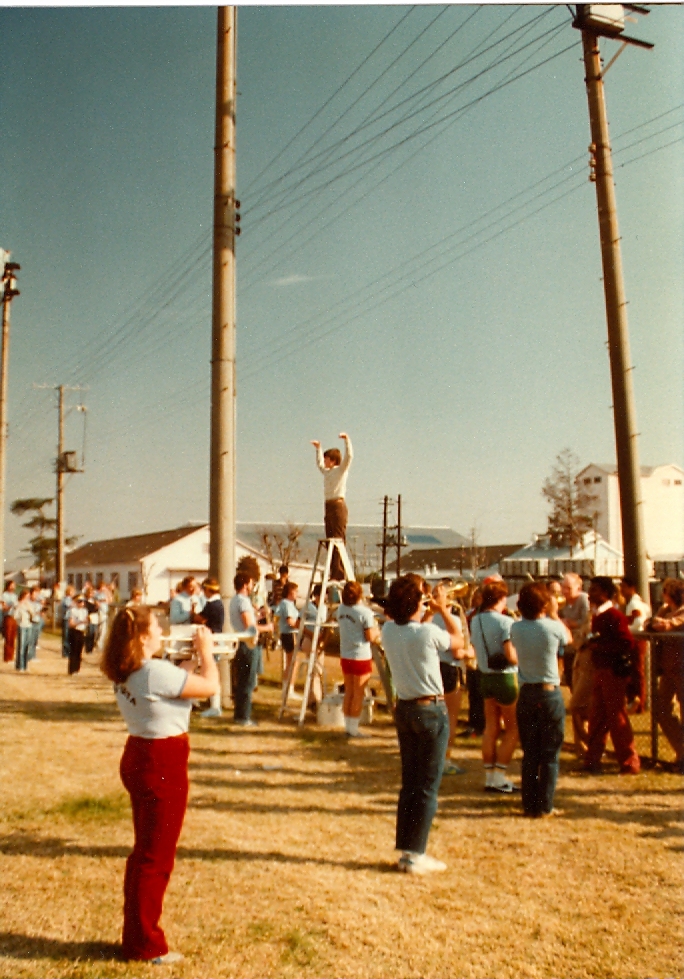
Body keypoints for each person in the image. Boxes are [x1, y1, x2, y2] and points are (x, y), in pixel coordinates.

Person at [102, 605, 218, 964]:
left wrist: (189, 664)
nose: (161, 631)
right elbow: (211, 687)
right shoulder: (154, 671)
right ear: (141, 636)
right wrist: (207, 654)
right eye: (155, 626)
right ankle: (145, 944)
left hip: (140, 752)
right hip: (161, 761)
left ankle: (136, 933)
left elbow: (174, 686)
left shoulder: (133, 669)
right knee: (156, 858)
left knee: (144, 854)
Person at [381, 576, 464, 874]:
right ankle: (417, 854)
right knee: (427, 787)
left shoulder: (389, 629)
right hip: (430, 710)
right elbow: (458, 640)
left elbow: (414, 624)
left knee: (410, 784)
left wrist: (427, 608)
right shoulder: (428, 632)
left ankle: (407, 850)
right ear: (415, 604)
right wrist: (443, 610)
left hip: (404, 709)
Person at [511, 583, 567, 817]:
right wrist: (554, 612)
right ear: (544, 605)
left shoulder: (515, 628)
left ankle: (529, 803)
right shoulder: (553, 627)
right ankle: (545, 804)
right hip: (549, 692)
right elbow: (569, 638)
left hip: (526, 691)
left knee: (530, 753)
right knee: (550, 754)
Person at [584, 577, 640, 775]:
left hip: (613, 671)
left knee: (617, 717)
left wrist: (600, 648)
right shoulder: (598, 615)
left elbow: (627, 643)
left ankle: (629, 762)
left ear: (606, 594)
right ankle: (592, 759)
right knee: (597, 716)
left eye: (595, 590)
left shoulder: (614, 615)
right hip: (600, 670)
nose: (590, 594)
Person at [470, 580, 519, 793]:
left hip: (486, 677)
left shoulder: (476, 620)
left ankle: (490, 775)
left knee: (491, 728)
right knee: (513, 729)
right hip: (505, 677)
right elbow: (510, 655)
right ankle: (500, 775)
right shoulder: (505, 622)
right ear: (500, 599)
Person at [428, 582, 467, 774]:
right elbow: (457, 651)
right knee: (450, 717)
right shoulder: (452, 619)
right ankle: (446, 760)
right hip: (449, 668)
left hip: (432, 668)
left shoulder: (427, 618)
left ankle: (433, 756)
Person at [335, 580, 381, 738]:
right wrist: (378, 632)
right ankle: (353, 728)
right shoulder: (364, 612)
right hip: (360, 655)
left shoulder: (340, 609)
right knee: (358, 693)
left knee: (349, 691)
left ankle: (348, 726)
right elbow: (369, 636)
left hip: (345, 654)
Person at [648, 577, 684, 773]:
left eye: (666, 591)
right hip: (669, 669)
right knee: (661, 708)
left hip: (682, 667)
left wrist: (666, 623)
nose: (663, 595)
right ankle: (681, 749)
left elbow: (672, 624)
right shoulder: (665, 610)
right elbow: (651, 623)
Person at [230, 571, 272, 726]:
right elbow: (250, 627)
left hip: (241, 642)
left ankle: (239, 715)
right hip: (248, 643)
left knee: (242, 681)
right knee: (247, 682)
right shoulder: (243, 601)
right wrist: (267, 627)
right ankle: (244, 717)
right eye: (251, 583)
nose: (253, 586)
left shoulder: (236, 600)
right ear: (245, 584)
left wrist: (259, 615)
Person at [311, 432, 353, 581]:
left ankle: (338, 574)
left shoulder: (340, 470)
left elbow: (349, 457)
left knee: (338, 540)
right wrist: (318, 449)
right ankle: (333, 572)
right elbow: (319, 465)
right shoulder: (327, 472)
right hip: (328, 506)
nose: (324, 461)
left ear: (333, 460)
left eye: (326, 458)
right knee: (330, 540)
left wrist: (347, 440)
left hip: (338, 506)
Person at [619, 576, 650, 714]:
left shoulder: (634, 604)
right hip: (635, 639)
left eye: (623, 586)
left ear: (632, 588)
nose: (621, 589)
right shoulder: (634, 602)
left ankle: (640, 703)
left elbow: (638, 622)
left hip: (637, 640)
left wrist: (624, 630)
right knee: (634, 671)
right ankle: (635, 701)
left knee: (637, 672)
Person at [197, 577, 225, 718]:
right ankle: (214, 704)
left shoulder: (211, 605)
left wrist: (191, 612)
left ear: (208, 590)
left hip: (211, 641)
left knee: (210, 672)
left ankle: (215, 706)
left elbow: (200, 619)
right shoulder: (219, 603)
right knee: (212, 671)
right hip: (216, 640)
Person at [560, 573, 591, 689]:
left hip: (581, 643)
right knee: (569, 675)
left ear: (578, 588)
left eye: (568, 588)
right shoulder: (563, 602)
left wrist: (568, 622)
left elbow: (585, 621)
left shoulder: (584, 600)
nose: (565, 591)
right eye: (563, 587)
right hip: (568, 643)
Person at [276, 581, 300, 699]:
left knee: (291, 662)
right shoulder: (287, 604)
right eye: (295, 591)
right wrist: (301, 627)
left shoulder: (285, 603)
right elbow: (290, 621)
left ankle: (287, 688)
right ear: (290, 592)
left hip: (287, 634)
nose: (297, 594)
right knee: (293, 663)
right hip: (290, 634)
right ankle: (289, 689)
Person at [67, 595, 89, 675]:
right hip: (74, 631)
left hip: (81, 631)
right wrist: (80, 622)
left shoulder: (85, 611)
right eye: (80, 601)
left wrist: (86, 622)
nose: (82, 603)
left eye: (83, 601)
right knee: (73, 651)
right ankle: (72, 669)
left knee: (79, 651)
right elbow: (71, 623)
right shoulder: (72, 610)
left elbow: (86, 621)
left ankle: (77, 669)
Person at [13, 589, 33, 672]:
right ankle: (20, 665)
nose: (27, 597)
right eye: (26, 595)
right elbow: (15, 615)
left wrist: (29, 610)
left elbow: (33, 614)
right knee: (21, 646)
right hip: (22, 625)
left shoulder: (29, 604)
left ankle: (25, 665)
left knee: (27, 646)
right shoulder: (18, 604)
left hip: (29, 625)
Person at [2, 580, 18, 664]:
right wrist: (10, 605)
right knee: (8, 637)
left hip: (14, 616)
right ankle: (6, 657)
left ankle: (11, 656)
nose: (13, 587)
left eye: (14, 585)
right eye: (12, 585)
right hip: (8, 616)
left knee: (13, 637)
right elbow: (4, 607)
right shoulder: (4, 595)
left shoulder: (15, 596)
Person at [59, 584, 76, 658]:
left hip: (71, 619)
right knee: (66, 636)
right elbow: (69, 605)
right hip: (66, 619)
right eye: (72, 591)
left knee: (70, 636)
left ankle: (69, 651)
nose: (73, 593)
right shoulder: (66, 599)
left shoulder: (72, 599)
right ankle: (65, 652)